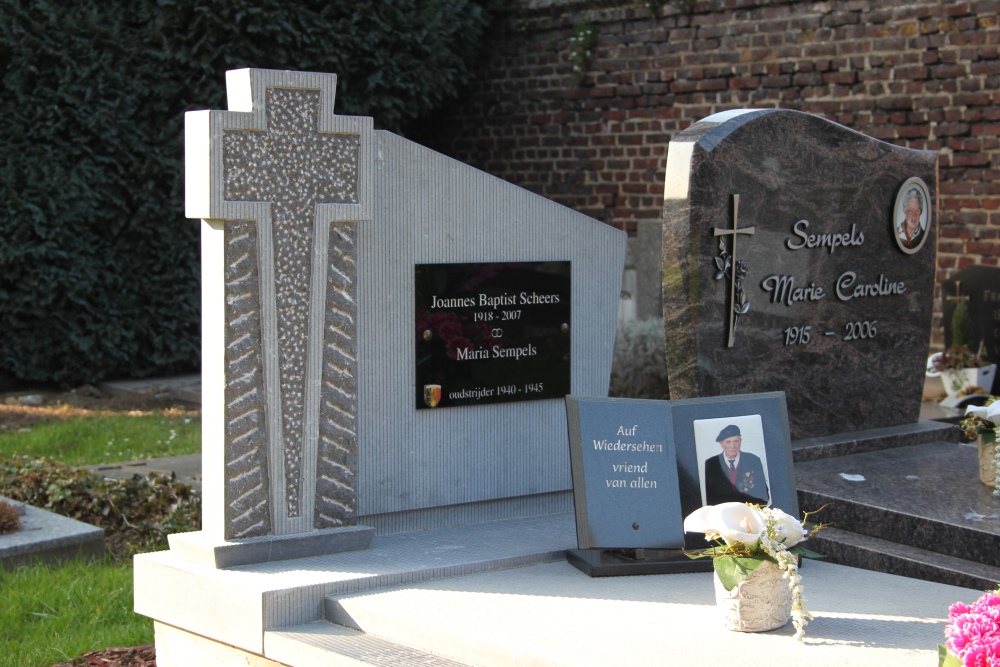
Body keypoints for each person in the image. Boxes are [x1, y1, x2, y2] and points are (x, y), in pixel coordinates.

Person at [703, 424, 769, 505]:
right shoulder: (711, 464)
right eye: (728, 442)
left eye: (736, 441)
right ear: (721, 444)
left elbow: (763, 496)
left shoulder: (753, 460)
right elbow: (710, 499)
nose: (732, 446)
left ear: (740, 441)